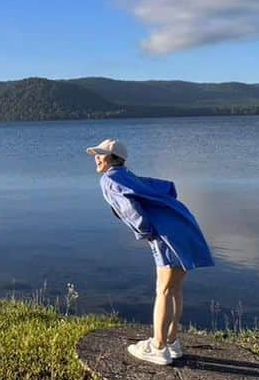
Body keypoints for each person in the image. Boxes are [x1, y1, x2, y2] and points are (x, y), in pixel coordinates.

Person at [86, 138, 214, 365]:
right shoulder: (128, 175)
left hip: (167, 235)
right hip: (184, 225)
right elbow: (166, 188)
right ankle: (172, 342)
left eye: (101, 154)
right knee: (174, 289)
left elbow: (133, 214)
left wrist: (146, 234)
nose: (96, 157)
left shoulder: (109, 179)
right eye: (96, 154)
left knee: (163, 290)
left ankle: (158, 347)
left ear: (114, 159)